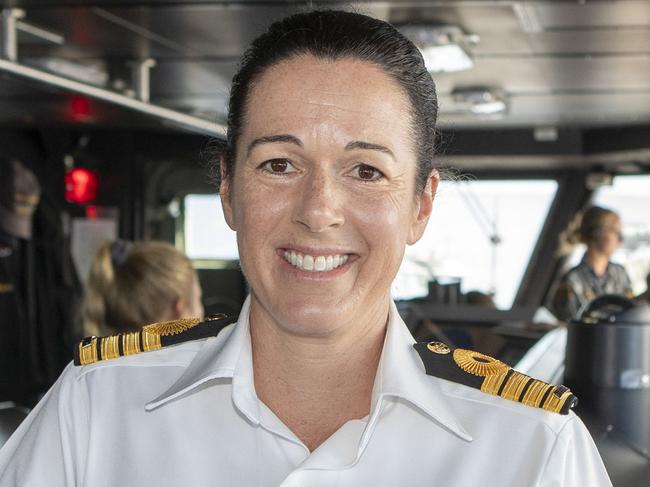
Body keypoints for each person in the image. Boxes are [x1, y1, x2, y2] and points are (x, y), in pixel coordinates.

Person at [0, 10, 611, 486]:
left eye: (366, 171)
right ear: (229, 192)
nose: (319, 209)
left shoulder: (534, 447)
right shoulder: (95, 407)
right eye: (279, 164)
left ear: (421, 206)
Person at [83, 240, 205, 336]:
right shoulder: (193, 366)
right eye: (198, 299)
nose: (202, 313)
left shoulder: (86, 365)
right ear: (179, 308)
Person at [552, 205, 632, 321]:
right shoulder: (571, 281)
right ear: (597, 233)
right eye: (615, 231)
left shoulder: (620, 274)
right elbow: (567, 326)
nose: (620, 238)